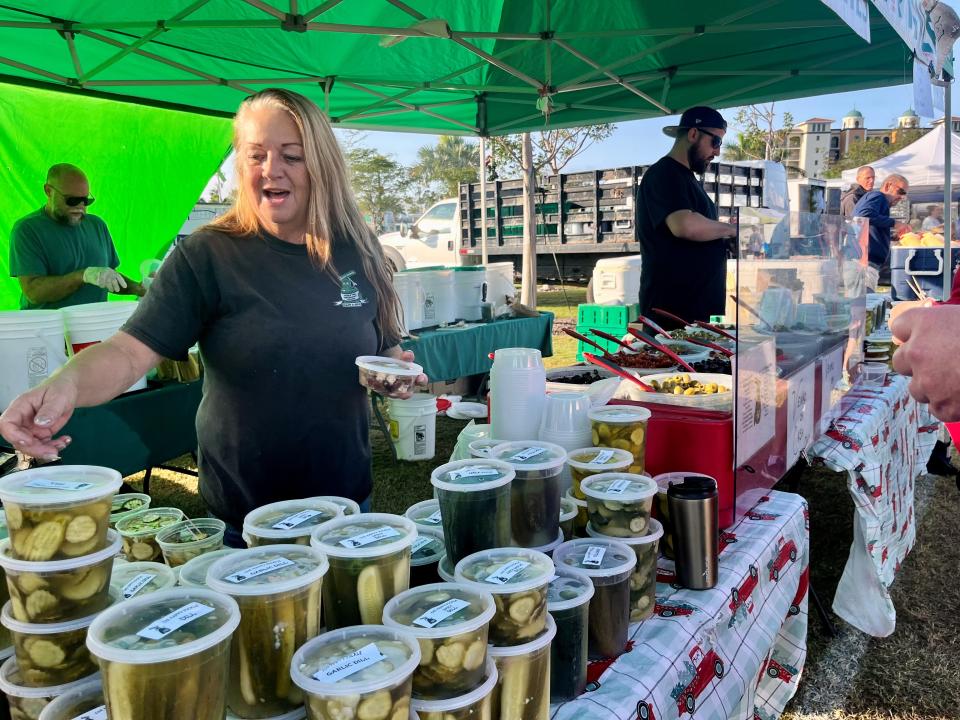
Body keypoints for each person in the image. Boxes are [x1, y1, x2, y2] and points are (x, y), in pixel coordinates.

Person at [0, 88, 426, 541]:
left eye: (292, 155)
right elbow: (128, 351)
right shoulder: (208, 255)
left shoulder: (356, 250)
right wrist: (62, 384)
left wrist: (394, 371)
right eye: (255, 154)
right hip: (247, 512)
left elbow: (384, 346)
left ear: (321, 164)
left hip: (346, 499)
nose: (271, 169)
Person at [636, 106, 737, 327]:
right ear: (693, 134)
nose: (717, 152)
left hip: (698, 313)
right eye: (716, 142)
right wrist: (731, 230)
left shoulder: (688, 179)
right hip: (672, 315)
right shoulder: (664, 174)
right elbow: (684, 225)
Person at [9, 164, 144, 309]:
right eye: (72, 200)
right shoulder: (27, 230)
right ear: (48, 191)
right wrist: (82, 276)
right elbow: (34, 292)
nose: (80, 206)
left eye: (86, 201)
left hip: (94, 326)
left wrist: (140, 289)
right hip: (47, 328)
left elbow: (109, 279)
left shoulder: (97, 225)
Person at [851, 173, 911, 291]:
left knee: (861, 303)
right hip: (864, 263)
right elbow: (862, 215)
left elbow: (871, 227)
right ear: (888, 186)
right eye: (901, 192)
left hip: (865, 261)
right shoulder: (878, 196)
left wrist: (893, 237)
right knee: (862, 304)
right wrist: (895, 223)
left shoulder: (877, 199)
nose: (902, 197)